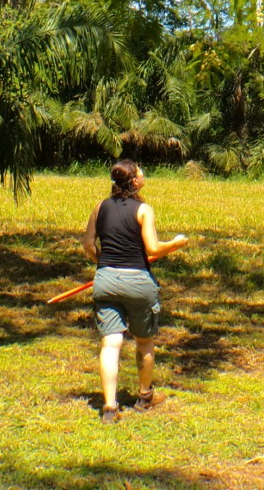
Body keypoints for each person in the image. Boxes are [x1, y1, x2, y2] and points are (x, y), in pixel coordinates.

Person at [81, 159, 189, 424]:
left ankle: (109, 407)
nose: (144, 177)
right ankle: (144, 397)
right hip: (138, 281)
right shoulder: (143, 210)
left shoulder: (99, 207)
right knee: (144, 340)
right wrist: (175, 244)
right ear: (134, 182)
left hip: (105, 279)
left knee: (111, 342)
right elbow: (152, 249)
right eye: (142, 173)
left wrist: (104, 264)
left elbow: (87, 244)